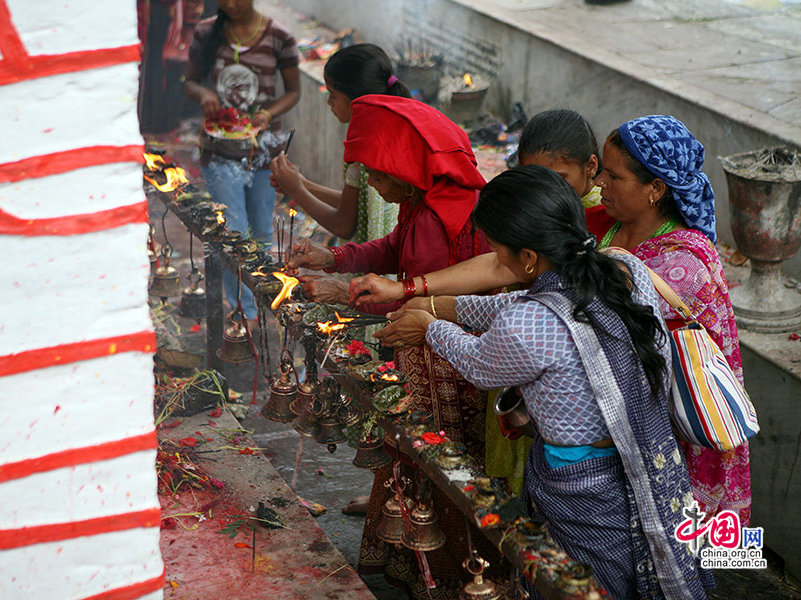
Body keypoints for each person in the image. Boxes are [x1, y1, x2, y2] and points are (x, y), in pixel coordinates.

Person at [380, 166, 712, 598]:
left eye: (500, 253)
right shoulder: (621, 268)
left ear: (530, 259)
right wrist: (440, 307)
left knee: (580, 587)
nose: (498, 262)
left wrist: (429, 327)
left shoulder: (532, 322)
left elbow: (482, 364)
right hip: (649, 464)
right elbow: (520, 306)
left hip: (582, 486)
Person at [289, 95, 495, 598]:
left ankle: (448, 572)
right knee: (412, 451)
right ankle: (418, 558)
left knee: (436, 456)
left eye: (379, 176)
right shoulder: (425, 202)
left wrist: (344, 291)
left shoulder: (436, 217)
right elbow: (392, 253)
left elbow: (421, 294)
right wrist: (334, 257)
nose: (375, 187)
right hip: (427, 340)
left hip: (444, 353)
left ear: (406, 168)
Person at [595, 114, 751, 526]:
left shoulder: (681, 266)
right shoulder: (616, 229)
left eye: (613, 176)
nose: (599, 185)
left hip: (672, 428)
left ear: (655, 189)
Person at [347, 108, 607, 305]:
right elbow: (497, 266)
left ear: (591, 167)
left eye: (558, 178)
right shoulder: (528, 207)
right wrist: (401, 290)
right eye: (533, 177)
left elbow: (500, 272)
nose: (544, 189)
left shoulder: (603, 222)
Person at [184, 0, 300, 318]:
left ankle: (257, 305)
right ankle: (243, 316)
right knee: (232, 231)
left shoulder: (280, 37)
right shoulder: (207, 32)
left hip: (262, 154)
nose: (231, 4)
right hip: (219, 151)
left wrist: (267, 113)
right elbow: (190, 81)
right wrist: (204, 94)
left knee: (261, 231)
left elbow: (293, 91)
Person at [270, 44, 409, 244]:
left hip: (370, 264)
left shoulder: (363, 150)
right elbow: (357, 205)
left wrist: (296, 191)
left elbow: (343, 225)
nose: (329, 103)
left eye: (333, 96)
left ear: (357, 99)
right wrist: (303, 183)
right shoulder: (390, 132)